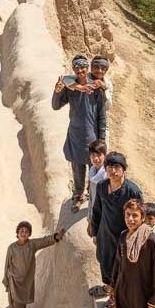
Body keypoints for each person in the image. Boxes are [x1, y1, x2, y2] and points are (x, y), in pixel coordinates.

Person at [89, 152, 142, 308]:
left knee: (120, 269)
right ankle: (110, 288)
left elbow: (141, 217)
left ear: (123, 170)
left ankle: (116, 301)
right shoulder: (102, 187)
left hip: (123, 239)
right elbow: (97, 211)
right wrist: (96, 232)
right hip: (105, 236)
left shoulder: (132, 191)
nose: (113, 171)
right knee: (105, 263)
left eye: (117, 167)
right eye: (110, 167)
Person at [52, 54, 107, 211]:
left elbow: (102, 116)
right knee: (77, 168)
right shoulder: (70, 87)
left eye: (83, 67)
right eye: (77, 67)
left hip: (92, 137)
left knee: (94, 169)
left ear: (87, 68)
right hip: (76, 135)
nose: (80, 70)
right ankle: (78, 196)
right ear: (74, 69)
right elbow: (56, 106)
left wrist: (101, 138)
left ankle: (93, 197)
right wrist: (57, 91)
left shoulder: (96, 88)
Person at [2, 221, 66, 308]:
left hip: (25, 283)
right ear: (17, 233)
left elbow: (43, 241)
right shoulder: (12, 248)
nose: (24, 233)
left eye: (26, 231)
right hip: (14, 281)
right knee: (16, 305)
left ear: (29, 234)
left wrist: (56, 237)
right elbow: (7, 265)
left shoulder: (32, 245)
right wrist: (6, 280)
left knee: (21, 305)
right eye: (21, 231)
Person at [86, 138, 109, 299]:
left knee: (107, 257)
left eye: (99, 155)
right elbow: (92, 199)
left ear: (104, 156)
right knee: (101, 256)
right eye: (93, 155)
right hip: (96, 221)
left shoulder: (105, 178)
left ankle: (109, 291)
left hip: (104, 223)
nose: (96, 158)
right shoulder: (93, 173)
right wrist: (89, 220)